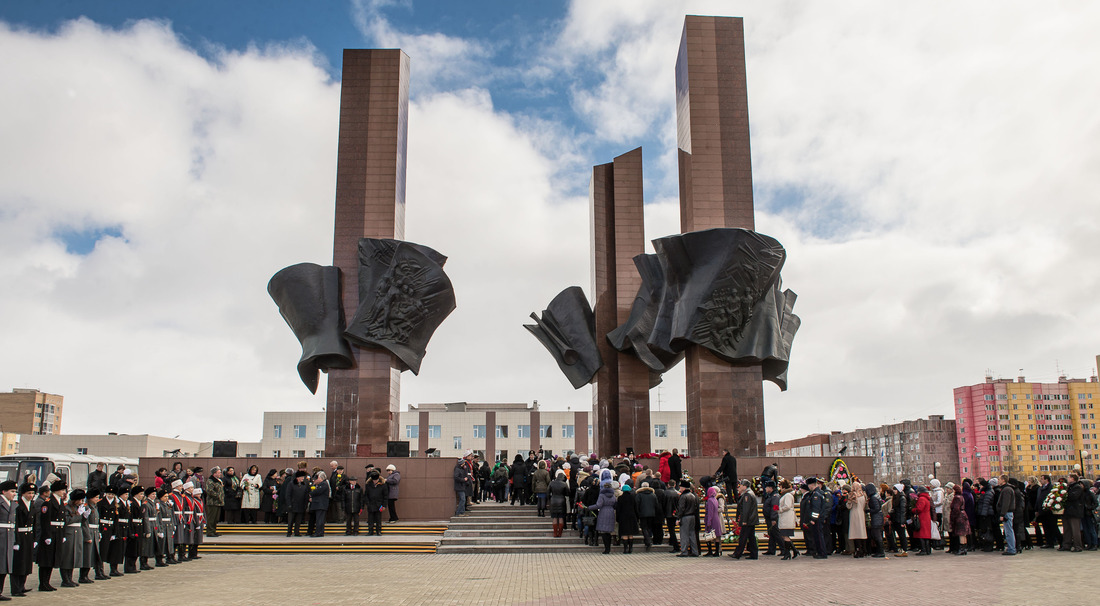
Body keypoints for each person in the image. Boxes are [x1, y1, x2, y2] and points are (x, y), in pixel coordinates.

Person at [36, 480, 66, 590]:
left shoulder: (60, 502)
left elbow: (63, 519)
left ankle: (46, 582)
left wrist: (63, 534)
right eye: (62, 490)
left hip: (58, 533)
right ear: (56, 491)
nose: (63, 492)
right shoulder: (48, 502)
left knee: (52, 559)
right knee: (46, 560)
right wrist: (47, 535)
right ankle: (42, 583)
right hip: (50, 533)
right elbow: (45, 520)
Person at [11, 482, 37, 596]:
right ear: (23, 493)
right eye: (28, 493)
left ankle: (22, 586)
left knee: (26, 562)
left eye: (32, 493)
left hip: (29, 536)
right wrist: (16, 541)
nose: (31, 495)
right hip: (20, 536)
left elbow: (35, 523)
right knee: (18, 563)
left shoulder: (32, 504)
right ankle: (16, 589)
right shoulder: (17, 505)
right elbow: (15, 524)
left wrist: (35, 538)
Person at [57, 488, 85, 588]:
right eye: (80, 500)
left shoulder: (77, 508)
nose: (81, 502)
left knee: (74, 557)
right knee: (67, 557)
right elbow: (68, 521)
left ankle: (70, 578)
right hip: (69, 533)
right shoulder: (67, 508)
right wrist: (78, 515)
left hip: (77, 533)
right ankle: (65, 579)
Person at [729, 480, 758, 560]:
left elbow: (746, 509)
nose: (739, 487)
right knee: (751, 537)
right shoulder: (749, 493)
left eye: (740, 485)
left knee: (743, 537)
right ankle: (754, 554)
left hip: (748, 520)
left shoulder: (747, 495)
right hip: (751, 520)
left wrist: (744, 520)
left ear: (745, 486)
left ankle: (737, 553)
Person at [79, 488, 102, 583]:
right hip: (89, 532)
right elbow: (84, 523)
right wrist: (87, 536)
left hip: (95, 532)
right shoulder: (86, 507)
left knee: (93, 555)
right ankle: (83, 576)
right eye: (96, 497)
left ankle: (87, 575)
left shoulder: (94, 507)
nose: (97, 499)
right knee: (87, 555)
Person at [0, 480, 16, 600]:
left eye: (15, 491)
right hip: (1, 537)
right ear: (3, 491)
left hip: (8, 536)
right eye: (11, 491)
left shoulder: (12, 504)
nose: (14, 494)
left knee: (5, 566)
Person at [634, 480, 661, 550]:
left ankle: (648, 541)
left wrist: (638, 513)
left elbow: (637, 505)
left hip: (642, 514)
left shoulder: (639, 495)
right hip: (651, 514)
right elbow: (656, 505)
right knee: (649, 527)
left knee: (644, 528)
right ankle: (648, 540)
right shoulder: (653, 495)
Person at [1061, 473, 1085, 552]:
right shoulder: (1069, 487)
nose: (1067, 479)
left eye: (1069, 477)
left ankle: (1078, 546)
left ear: (1072, 479)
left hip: (1074, 511)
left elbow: (1074, 497)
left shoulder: (1077, 487)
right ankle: (1066, 545)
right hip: (1067, 511)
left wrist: (1065, 495)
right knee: (1067, 529)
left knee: (1075, 530)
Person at [593, 480, 618, 555]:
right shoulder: (613, 495)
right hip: (611, 512)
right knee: (609, 531)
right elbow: (615, 503)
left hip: (603, 511)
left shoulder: (602, 495)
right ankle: (608, 548)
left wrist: (589, 507)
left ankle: (606, 549)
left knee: (603, 531)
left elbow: (598, 505)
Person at [676, 480, 699, 557]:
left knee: (684, 534)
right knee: (692, 534)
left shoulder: (683, 496)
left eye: (681, 487)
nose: (680, 488)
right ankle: (695, 551)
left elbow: (681, 508)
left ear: (683, 488)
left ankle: (684, 551)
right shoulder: (692, 495)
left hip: (685, 517)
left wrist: (678, 518)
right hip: (692, 516)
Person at [777, 479, 798, 560]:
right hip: (785, 517)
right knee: (784, 535)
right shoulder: (787, 495)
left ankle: (788, 553)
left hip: (787, 518)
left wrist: (780, 509)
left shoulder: (788, 495)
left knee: (785, 536)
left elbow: (787, 506)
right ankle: (793, 550)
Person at [996, 476, 1017, 556]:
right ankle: (1010, 548)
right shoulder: (1006, 489)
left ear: (1003, 480)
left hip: (1007, 513)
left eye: (999, 479)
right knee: (1008, 531)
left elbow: (1006, 503)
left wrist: (1002, 514)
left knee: (1009, 531)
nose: (998, 481)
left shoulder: (1007, 489)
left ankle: (1011, 549)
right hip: (1007, 512)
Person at [846, 481, 868, 557]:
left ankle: (858, 550)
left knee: (856, 532)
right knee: (861, 532)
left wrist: (850, 501)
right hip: (861, 514)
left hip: (854, 514)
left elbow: (849, 506)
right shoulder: (863, 495)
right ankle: (864, 549)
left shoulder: (853, 495)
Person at [616, 483, 639, 554]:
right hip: (632, 516)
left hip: (623, 517)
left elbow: (618, 509)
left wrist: (618, 518)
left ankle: (625, 548)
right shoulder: (633, 497)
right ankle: (630, 548)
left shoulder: (620, 498)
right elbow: (636, 508)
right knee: (630, 533)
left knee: (624, 533)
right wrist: (637, 517)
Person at [702, 486, 724, 557]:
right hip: (716, 518)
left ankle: (710, 551)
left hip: (712, 519)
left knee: (708, 535)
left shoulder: (710, 500)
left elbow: (710, 512)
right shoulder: (715, 499)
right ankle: (717, 551)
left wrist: (708, 521)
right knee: (717, 535)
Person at [364, 470, 387, 536]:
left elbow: (385, 496)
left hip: (379, 504)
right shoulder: (368, 485)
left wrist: (384, 505)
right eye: (374, 480)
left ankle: (378, 531)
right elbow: (366, 495)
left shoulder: (383, 485)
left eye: (376, 480)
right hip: (370, 504)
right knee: (370, 519)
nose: (375, 481)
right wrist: (367, 503)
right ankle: (370, 531)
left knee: (378, 519)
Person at [286, 471, 309, 537]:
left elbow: (306, 495)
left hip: (301, 505)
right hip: (293, 505)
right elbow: (288, 495)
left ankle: (297, 532)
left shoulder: (304, 484)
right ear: (297, 478)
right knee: (291, 520)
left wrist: (305, 504)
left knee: (298, 520)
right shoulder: (291, 484)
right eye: (301, 477)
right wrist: (289, 504)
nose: (303, 478)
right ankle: (289, 532)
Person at [549, 471, 570, 539]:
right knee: (561, 517)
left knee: (555, 517)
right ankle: (560, 532)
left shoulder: (552, 483)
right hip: (561, 501)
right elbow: (568, 493)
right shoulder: (564, 484)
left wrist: (550, 499)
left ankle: (555, 533)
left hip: (553, 500)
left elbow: (547, 492)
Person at [911, 486, 932, 556]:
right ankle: (928, 549)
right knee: (926, 535)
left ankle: (923, 550)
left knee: (922, 535)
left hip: (922, 518)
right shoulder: (926, 498)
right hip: (926, 518)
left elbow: (919, 509)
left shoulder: (921, 499)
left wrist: (913, 510)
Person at [309, 472, 330, 537]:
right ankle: (319, 532)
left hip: (321, 505)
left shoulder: (324, 484)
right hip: (318, 505)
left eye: (316, 479)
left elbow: (317, 492)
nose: (314, 481)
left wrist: (311, 493)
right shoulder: (320, 485)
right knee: (319, 519)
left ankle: (319, 532)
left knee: (319, 519)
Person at [204, 467, 224, 537]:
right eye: (219, 473)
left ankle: (214, 530)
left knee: (216, 518)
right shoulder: (210, 481)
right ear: (214, 473)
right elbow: (209, 491)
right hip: (212, 502)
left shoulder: (218, 480)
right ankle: (210, 531)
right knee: (211, 518)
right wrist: (218, 496)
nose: (220, 474)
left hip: (218, 502)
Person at [761, 481, 779, 555]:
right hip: (769, 518)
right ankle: (771, 549)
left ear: (770, 488)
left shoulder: (775, 496)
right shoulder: (770, 495)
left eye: (766, 487)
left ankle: (784, 549)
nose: (765, 488)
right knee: (772, 534)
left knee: (776, 534)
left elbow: (775, 508)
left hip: (772, 518)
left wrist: (773, 518)